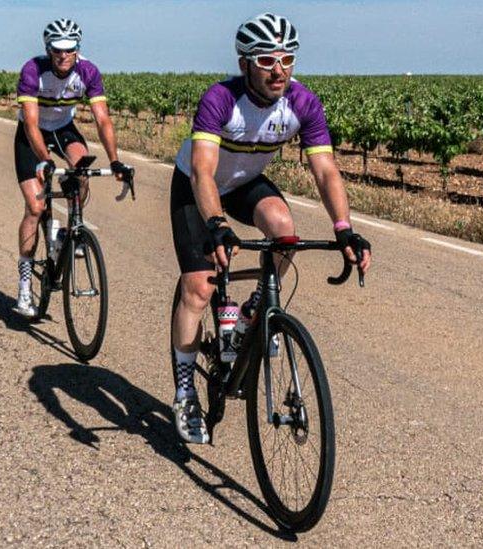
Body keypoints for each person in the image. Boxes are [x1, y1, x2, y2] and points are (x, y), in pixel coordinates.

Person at [168, 13, 372, 443]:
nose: (279, 70)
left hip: (243, 182)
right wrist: (216, 224)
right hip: (198, 188)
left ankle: (253, 313)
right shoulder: (221, 99)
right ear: (245, 64)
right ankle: (185, 391)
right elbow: (204, 173)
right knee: (200, 288)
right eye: (266, 60)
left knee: (285, 230)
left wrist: (344, 229)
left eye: (287, 59)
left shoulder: (302, 103)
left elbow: (326, 171)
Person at [13, 18, 129, 317]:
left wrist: (115, 159)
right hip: (32, 134)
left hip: (64, 128)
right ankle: (25, 287)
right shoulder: (33, 70)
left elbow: (102, 119)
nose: (63, 55)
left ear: (78, 48)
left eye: (69, 49)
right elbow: (31, 122)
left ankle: (67, 232)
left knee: (83, 167)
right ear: (48, 48)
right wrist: (44, 159)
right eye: (57, 50)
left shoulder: (88, 71)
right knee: (35, 209)